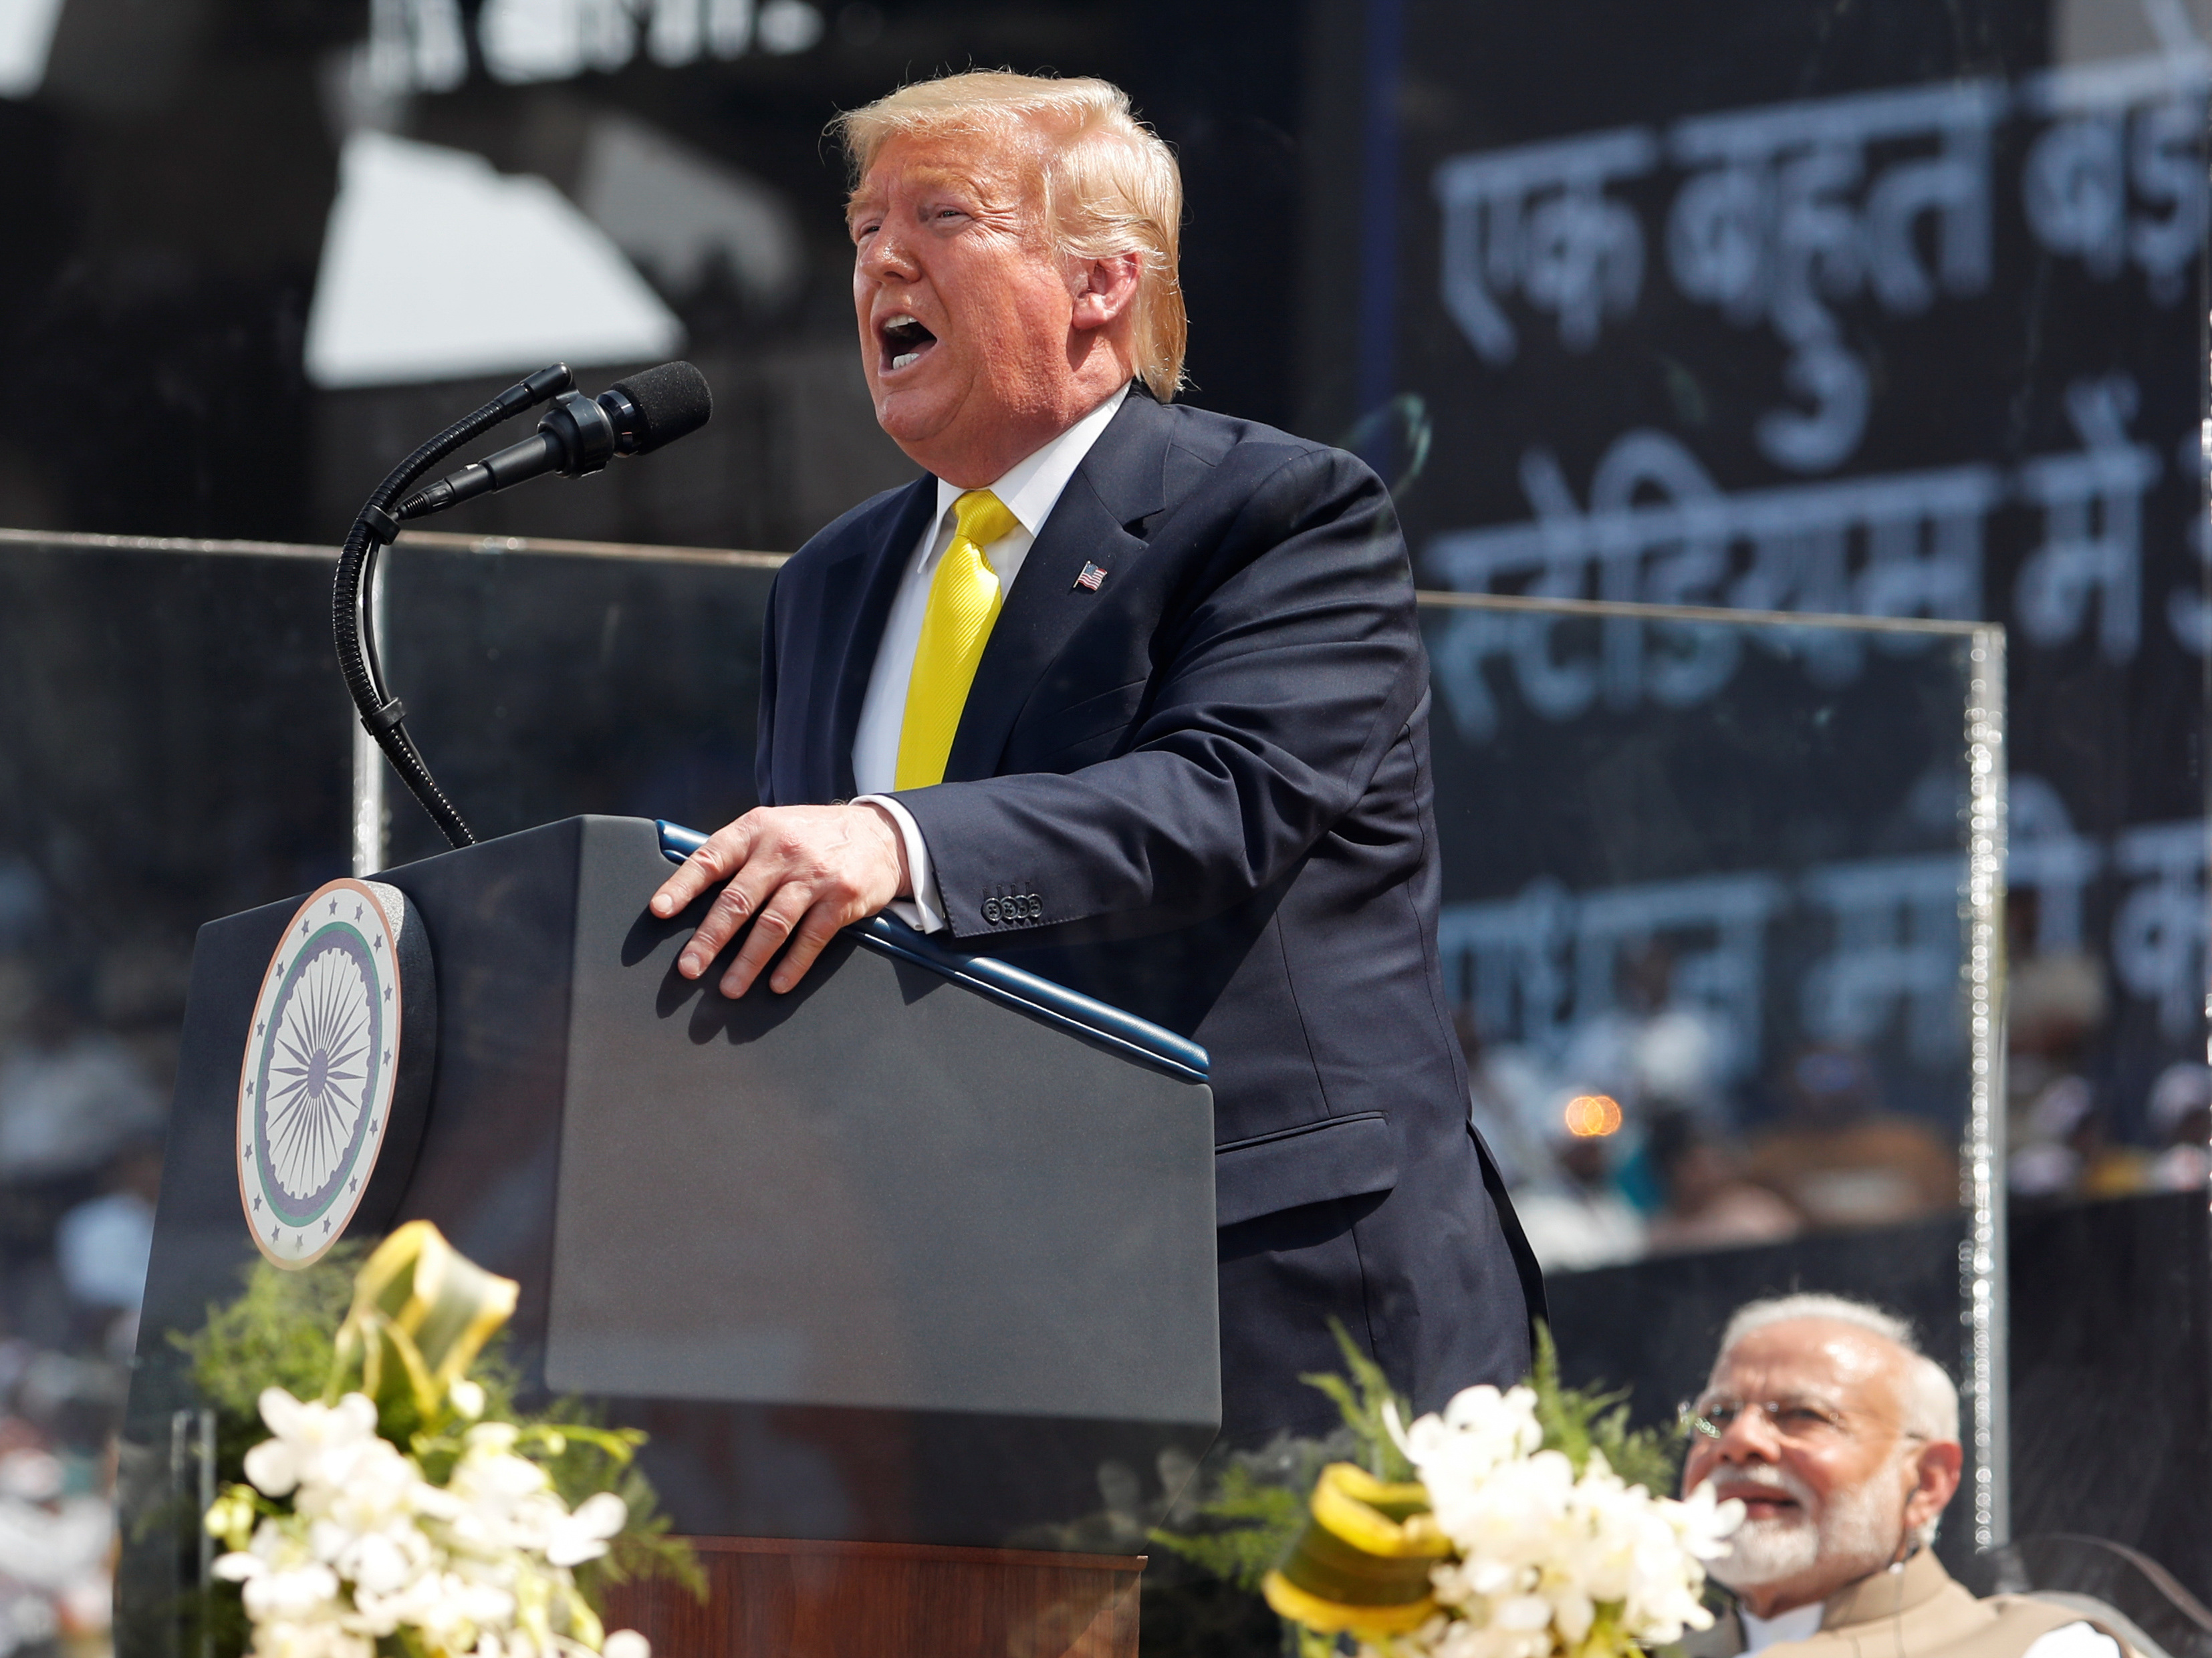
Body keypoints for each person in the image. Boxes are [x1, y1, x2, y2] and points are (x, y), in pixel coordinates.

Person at [648, 69, 1540, 1442]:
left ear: (1101, 284)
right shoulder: (823, 583)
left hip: (1272, 1303)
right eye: (862, 228)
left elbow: (1222, 796)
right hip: (955, 1323)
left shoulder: (1278, 511)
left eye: (941, 215)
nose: (882, 257)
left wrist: (896, 841)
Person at [1683, 1294, 2125, 1658]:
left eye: (1804, 1414)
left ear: (1927, 1482)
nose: (1736, 1440)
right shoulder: (1630, 1648)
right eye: (1716, 1415)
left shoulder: (2042, 1650)